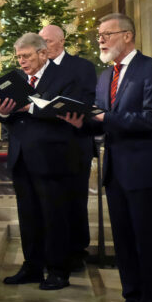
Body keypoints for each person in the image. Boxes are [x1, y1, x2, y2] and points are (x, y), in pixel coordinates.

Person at [65, 14, 152, 302]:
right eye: (99, 35)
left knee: (146, 241)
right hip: (116, 170)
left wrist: (104, 118)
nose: (101, 40)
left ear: (128, 36)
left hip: (143, 169)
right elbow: (102, 121)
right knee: (123, 240)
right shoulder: (105, 75)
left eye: (107, 34)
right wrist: (82, 123)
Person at [0, 33, 84, 290]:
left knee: (54, 215)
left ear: (43, 54)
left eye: (27, 56)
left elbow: (67, 112)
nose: (22, 61)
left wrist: (28, 108)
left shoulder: (65, 76)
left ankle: (58, 270)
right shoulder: (18, 79)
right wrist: (2, 111)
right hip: (22, 156)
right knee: (28, 215)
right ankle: (32, 266)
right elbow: (10, 117)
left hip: (52, 156)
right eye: (19, 56)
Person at [40, 23, 97, 269]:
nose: (44, 47)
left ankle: (76, 250)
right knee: (50, 204)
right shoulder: (38, 67)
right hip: (45, 145)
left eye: (49, 42)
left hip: (74, 142)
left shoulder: (81, 66)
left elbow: (86, 99)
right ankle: (50, 251)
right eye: (41, 43)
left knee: (75, 199)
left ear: (62, 41)